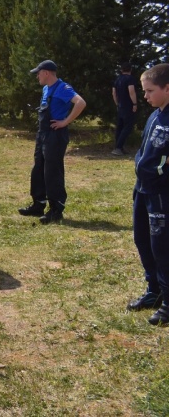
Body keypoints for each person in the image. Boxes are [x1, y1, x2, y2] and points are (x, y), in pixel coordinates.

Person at [18, 60, 86, 224]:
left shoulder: (63, 88)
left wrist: (65, 121)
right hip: (43, 134)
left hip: (56, 135)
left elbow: (81, 103)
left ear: (46, 72)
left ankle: (56, 209)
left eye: (38, 73)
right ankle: (38, 204)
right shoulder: (46, 88)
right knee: (39, 169)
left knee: (52, 171)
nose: (37, 77)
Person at [127, 64, 169, 326]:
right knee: (142, 239)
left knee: (162, 247)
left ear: (167, 88)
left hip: (162, 193)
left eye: (150, 91)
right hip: (143, 189)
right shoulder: (155, 115)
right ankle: (154, 291)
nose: (145, 96)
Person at [112, 64, 138, 156]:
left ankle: (118, 147)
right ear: (130, 70)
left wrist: (117, 103)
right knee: (127, 127)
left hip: (120, 106)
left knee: (120, 127)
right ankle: (119, 147)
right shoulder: (130, 79)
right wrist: (134, 103)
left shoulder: (118, 79)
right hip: (128, 106)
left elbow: (114, 93)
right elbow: (131, 91)